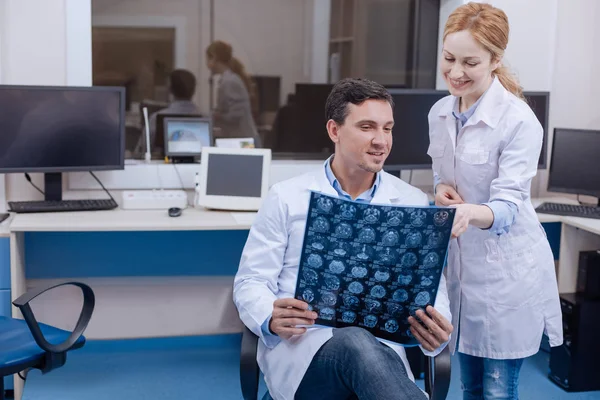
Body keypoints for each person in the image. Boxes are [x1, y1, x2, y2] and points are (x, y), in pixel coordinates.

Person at [234, 78, 454, 400]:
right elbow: (250, 281)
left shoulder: (412, 202)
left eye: (388, 128)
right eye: (367, 127)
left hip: (382, 357)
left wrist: (438, 327)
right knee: (354, 340)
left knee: (363, 346)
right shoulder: (287, 196)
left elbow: (433, 290)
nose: (381, 141)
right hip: (306, 354)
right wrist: (269, 315)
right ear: (334, 131)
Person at [427, 3, 563, 399]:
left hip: (506, 274)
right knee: (468, 384)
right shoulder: (440, 113)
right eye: (449, 58)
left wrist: (469, 211)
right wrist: (439, 190)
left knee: (498, 391)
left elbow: (508, 207)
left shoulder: (519, 121)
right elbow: (441, 173)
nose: (454, 72)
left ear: (495, 59)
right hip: (462, 266)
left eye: (469, 62)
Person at [205, 40, 262, 147]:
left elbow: (235, 116)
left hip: (245, 142)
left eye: (208, 59)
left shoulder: (229, 82)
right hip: (243, 140)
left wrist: (217, 116)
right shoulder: (229, 80)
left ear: (213, 58)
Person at [133, 68, 200, 158]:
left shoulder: (156, 118)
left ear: (170, 90)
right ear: (193, 90)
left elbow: (142, 152)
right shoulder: (205, 118)